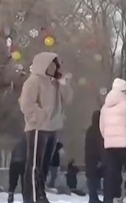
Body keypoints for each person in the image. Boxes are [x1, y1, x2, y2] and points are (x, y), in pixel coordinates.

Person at [19, 52, 73, 203]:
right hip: (37, 128)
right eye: (50, 64)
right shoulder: (33, 81)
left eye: (55, 64)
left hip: (53, 127)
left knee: (44, 164)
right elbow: (26, 104)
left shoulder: (56, 82)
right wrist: (40, 116)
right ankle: (31, 197)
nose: (53, 67)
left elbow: (67, 100)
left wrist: (64, 85)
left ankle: (40, 193)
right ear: (42, 65)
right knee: (34, 164)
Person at [85, 111, 105, 203]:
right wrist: (102, 158)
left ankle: (93, 198)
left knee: (92, 178)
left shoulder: (90, 130)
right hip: (96, 158)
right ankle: (94, 198)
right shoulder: (99, 130)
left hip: (89, 158)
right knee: (97, 178)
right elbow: (100, 146)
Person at [8, 135, 27, 203]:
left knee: (13, 181)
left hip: (14, 162)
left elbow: (13, 153)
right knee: (24, 182)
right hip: (23, 163)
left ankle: (10, 194)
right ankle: (25, 197)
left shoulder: (15, 144)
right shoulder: (27, 143)